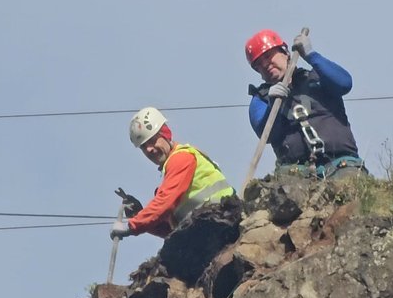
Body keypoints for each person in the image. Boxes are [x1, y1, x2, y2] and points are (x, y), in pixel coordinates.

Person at [245, 29, 365, 180]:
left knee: (350, 192)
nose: (266, 64)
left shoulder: (317, 79)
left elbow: (344, 84)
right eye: (259, 65)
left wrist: (310, 54)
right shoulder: (261, 99)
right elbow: (266, 134)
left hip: (341, 164)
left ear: (285, 52)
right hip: (295, 176)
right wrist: (273, 103)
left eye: (268, 56)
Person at [110, 107, 235, 240]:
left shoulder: (181, 158)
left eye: (152, 140)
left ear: (165, 134)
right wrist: (138, 214)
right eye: (143, 147)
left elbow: (164, 203)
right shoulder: (173, 169)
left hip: (224, 219)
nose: (149, 149)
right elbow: (171, 231)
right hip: (209, 228)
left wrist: (132, 226)